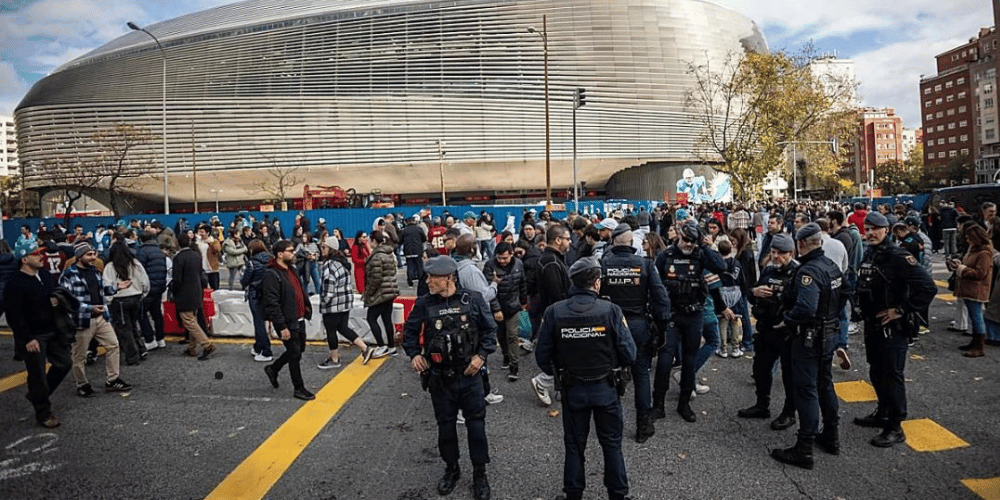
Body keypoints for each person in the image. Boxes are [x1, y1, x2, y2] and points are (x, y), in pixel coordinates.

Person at [535, 257, 636, 500]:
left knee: (574, 444)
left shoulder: (554, 312)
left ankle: (573, 494)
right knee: (611, 444)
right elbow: (630, 353)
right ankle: (618, 494)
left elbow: (542, 356)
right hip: (606, 388)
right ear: (596, 283)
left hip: (573, 388)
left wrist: (559, 371)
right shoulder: (611, 311)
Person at [402, 256, 497, 500]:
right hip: (440, 379)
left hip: (470, 376)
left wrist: (482, 356)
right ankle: (451, 468)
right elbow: (409, 334)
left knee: (476, 427)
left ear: (448, 278)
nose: (428, 281)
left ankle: (479, 472)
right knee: (445, 428)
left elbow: (489, 331)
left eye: (432, 277)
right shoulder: (424, 303)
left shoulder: (473, 299)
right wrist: (414, 355)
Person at [854, 212, 936, 447]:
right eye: (867, 229)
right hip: (873, 325)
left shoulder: (899, 256)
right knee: (876, 371)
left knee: (892, 375)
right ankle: (883, 412)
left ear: (886, 230)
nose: (870, 233)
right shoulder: (870, 253)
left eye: (875, 229)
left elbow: (927, 288)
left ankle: (895, 425)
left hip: (894, 328)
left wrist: (900, 310)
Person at [769, 223, 844, 470]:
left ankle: (804, 448)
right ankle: (831, 436)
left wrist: (786, 321)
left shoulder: (807, 272)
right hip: (829, 334)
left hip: (809, 338)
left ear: (801, 245)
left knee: (807, 391)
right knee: (825, 385)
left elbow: (805, 308)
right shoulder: (831, 267)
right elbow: (846, 295)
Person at [598, 224, 670, 443]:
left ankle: (611, 425)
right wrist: (662, 326)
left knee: (610, 374)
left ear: (613, 243)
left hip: (610, 326)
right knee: (641, 375)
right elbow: (661, 299)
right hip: (638, 325)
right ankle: (643, 425)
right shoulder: (645, 264)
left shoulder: (602, 264)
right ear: (631, 244)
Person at [653, 220, 727, 422]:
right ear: (678, 235)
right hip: (672, 315)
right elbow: (654, 284)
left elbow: (721, 266)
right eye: (686, 239)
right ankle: (658, 405)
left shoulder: (700, 254)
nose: (688, 244)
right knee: (665, 359)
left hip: (694, 314)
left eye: (692, 241)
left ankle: (684, 403)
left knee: (689, 359)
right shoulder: (666, 256)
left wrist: (704, 244)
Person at [5, 242, 72, 427]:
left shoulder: (45, 275)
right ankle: (44, 413)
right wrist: (27, 339)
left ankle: (37, 395)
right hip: (34, 336)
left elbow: (57, 292)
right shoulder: (15, 284)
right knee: (38, 375)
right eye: (36, 254)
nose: (41, 257)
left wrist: (58, 300)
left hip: (53, 330)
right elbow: (14, 315)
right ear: (25, 259)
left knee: (64, 363)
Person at [738, 233, 799, 429]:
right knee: (761, 369)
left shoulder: (797, 272)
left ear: (790, 253)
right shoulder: (768, 270)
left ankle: (789, 413)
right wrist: (754, 293)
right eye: (773, 252)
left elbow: (803, 304)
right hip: (766, 329)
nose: (776, 256)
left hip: (787, 331)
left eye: (781, 253)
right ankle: (762, 405)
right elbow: (751, 293)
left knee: (790, 375)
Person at [60, 242, 133, 398]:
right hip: (82, 320)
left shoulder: (94, 271)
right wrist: (89, 308)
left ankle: (112, 379)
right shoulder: (69, 274)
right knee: (79, 355)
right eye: (89, 254)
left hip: (101, 317)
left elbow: (103, 288)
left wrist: (118, 286)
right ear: (79, 257)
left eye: (94, 254)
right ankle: (82, 384)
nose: (93, 257)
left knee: (113, 345)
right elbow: (66, 300)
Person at [261, 240, 316, 401]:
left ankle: (273, 368)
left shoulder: (291, 269)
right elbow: (272, 304)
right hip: (287, 321)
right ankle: (298, 388)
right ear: (279, 254)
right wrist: (281, 326)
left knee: (299, 350)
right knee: (294, 353)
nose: (293, 253)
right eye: (290, 251)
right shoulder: (271, 274)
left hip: (298, 318)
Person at [530, 225, 572, 407]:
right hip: (557, 316)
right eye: (567, 239)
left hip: (553, 314)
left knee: (561, 352)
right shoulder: (551, 263)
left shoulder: (551, 260)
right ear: (558, 240)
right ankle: (544, 380)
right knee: (561, 352)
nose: (570, 242)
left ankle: (555, 384)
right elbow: (558, 294)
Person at [317, 236, 374, 368]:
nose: (322, 250)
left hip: (333, 303)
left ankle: (334, 359)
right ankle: (365, 348)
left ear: (331, 249)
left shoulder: (329, 265)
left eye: (324, 247)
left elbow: (329, 286)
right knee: (343, 327)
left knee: (331, 330)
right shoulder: (342, 262)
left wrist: (324, 301)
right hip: (345, 302)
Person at [104, 241, 151, 366]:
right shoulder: (135, 263)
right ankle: (141, 349)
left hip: (119, 300)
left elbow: (107, 285)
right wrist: (143, 294)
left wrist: (108, 301)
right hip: (136, 297)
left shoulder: (110, 266)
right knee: (133, 325)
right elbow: (145, 282)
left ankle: (132, 356)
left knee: (125, 329)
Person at [172, 231, 216, 360]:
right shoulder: (196, 255)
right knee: (193, 319)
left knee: (188, 321)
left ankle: (206, 344)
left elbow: (177, 279)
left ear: (178, 243)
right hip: (196, 290)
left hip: (184, 293)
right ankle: (192, 348)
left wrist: (173, 291)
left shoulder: (179, 258)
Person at [952, 224, 994, 358]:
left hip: (976, 289)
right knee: (973, 316)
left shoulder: (984, 253)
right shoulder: (974, 250)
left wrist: (962, 269)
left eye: (969, 236)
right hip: (969, 287)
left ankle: (979, 346)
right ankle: (975, 342)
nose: (966, 239)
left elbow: (981, 273)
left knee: (977, 317)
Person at [363, 230, 400, 357]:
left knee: (371, 318)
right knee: (386, 319)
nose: (368, 242)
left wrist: (368, 293)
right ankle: (391, 346)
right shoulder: (389, 253)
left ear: (374, 241)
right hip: (390, 290)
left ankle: (381, 345)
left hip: (380, 292)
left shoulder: (377, 256)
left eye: (370, 240)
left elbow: (375, 279)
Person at [242, 239, 274, 362]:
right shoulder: (271, 259)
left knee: (259, 323)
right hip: (269, 293)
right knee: (263, 321)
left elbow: (245, 280)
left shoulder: (252, 262)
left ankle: (266, 350)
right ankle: (258, 346)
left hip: (255, 293)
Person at [136, 231, 168, 351]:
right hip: (159, 286)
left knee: (141, 313)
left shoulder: (142, 252)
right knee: (156, 313)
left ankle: (149, 339)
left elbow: (139, 270)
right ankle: (161, 339)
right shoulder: (160, 251)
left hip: (148, 287)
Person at [401, 214, 428, 287]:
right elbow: (424, 239)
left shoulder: (404, 230)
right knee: (419, 265)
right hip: (418, 249)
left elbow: (400, 240)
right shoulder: (418, 229)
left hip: (408, 250)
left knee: (410, 266)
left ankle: (410, 279)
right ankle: (421, 281)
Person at [196, 224, 222, 290]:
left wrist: (210, 244)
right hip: (202, 269)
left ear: (207, 233)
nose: (200, 234)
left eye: (202, 232)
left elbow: (217, 250)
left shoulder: (214, 241)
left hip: (212, 269)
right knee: (202, 289)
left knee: (214, 288)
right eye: (200, 232)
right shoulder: (198, 242)